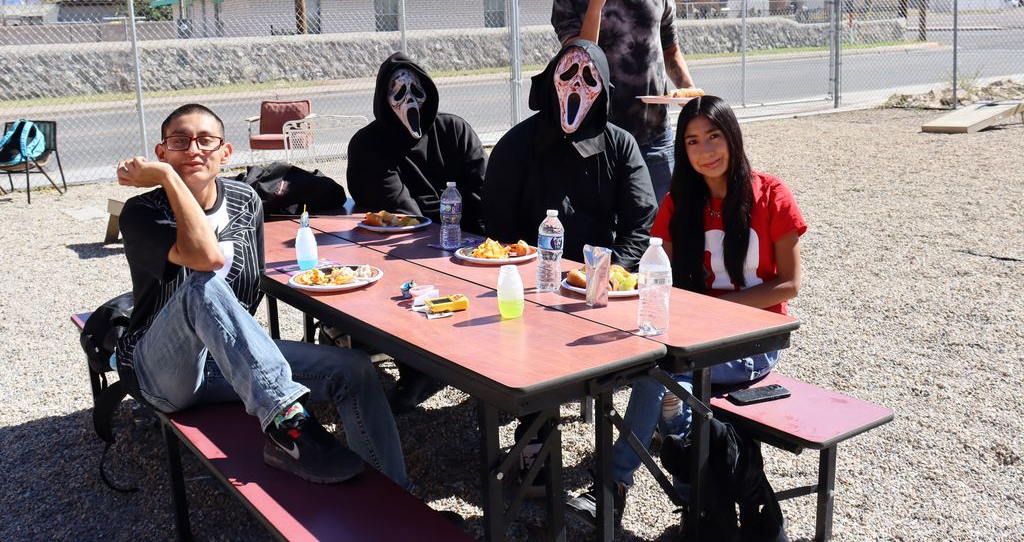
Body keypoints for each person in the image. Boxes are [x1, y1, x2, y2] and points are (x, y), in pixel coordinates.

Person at [114, 103, 409, 487]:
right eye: (179, 142)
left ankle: (391, 499)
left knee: (355, 369)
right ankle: (286, 424)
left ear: (226, 152)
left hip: (223, 360)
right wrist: (169, 179)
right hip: (160, 371)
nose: (194, 150)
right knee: (202, 285)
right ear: (161, 153)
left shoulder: (243, 200)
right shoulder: (141, 212)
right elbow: (206, 258)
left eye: (206, 140)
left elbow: (250, 282)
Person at [566, 95, 807, 529]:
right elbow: (658, 272)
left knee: (663, 377)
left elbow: (790, 284)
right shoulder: (680, 202)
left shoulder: (771, 194)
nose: (706, 151)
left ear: (732, 137)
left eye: (714, 137)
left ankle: (614, 486)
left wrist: (713, 309)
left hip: (754, 339)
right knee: (657, 375)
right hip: (692, 335)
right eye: (693, 142)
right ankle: (692, 494)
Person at [484, 39, 658, 494]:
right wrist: (520, 272)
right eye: (567, 74)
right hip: (528, 282)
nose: (577, 84)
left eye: (589, 77)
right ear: (550, 80)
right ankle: (533, 441)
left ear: (602, 90)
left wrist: (611, 272)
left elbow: (641, 217)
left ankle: (653, 427)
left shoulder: (620, 146)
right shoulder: (517, 145)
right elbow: (498, 226)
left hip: (598, 290)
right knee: (524, 343)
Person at [347, 52, 487, 413]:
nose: (409, 99)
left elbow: (482, 191)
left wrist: (487, 246)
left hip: (465, 242)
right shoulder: (368, 144)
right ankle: (416, 368)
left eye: (416, 89)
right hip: (398, 248)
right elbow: (398, 209)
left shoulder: (453, 130)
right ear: (384, 98)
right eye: (398, 91)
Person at [551, 0, 698, 202]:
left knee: (661, 229)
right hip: (595, 140)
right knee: (603, 237)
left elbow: (670, 48)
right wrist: (596, 3)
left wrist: (688, 89)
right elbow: (578, 61)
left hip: (654, 136)